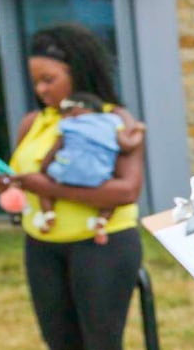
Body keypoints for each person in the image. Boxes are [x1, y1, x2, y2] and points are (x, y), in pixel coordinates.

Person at [0, 23, 147, 350]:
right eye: (35, 81)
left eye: (49, 80)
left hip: (103, 247)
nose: (41, 90)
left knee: (107, 349)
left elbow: (127, 190)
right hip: (43, 246)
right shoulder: (31, 123)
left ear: (77, 73)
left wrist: (46, 187)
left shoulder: (115, 118)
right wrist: (9, 185)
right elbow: (24, 178)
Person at [30, 92, 147, 244]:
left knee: (43, 188)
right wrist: (139, 131)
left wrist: (43, 170)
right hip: (97, 174)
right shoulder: (112, 120)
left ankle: (48, 215)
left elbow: (54, 149)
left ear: (76, 110)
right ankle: (102, 222)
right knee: (111, 200)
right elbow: (127, 145)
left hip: (65, 171)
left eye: (65, 112)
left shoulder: (67, 124)